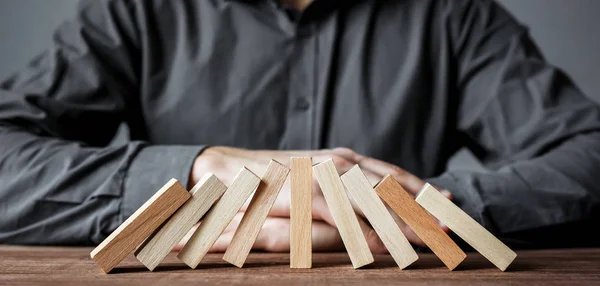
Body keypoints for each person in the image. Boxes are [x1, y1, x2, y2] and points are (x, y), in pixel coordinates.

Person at [1, 0, 599, 252]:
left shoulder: (452, 14)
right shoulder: (135, 11)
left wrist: (425, 213)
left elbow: (589, 152)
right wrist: (193, 172)